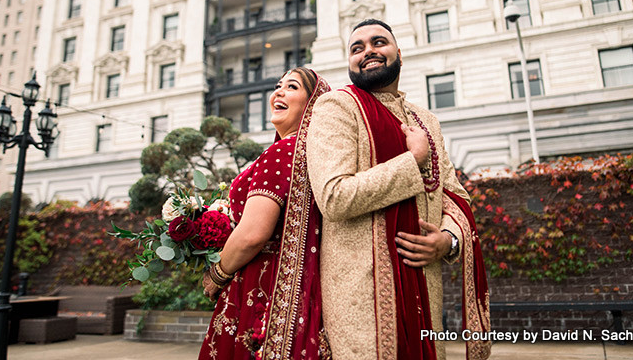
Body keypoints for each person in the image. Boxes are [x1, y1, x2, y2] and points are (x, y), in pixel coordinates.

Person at [307, 19, 490, 360]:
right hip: (363, 304)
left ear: (398, 54)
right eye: (357, 48)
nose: (369, 52)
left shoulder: (426, 121)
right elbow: (334, 196)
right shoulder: (336, 107)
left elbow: (454, 196)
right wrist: (413, 159)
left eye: (379, 42)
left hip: (423, 292)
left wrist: (447, 241)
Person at [200, 67, 331, 360]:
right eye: (277, 85)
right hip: (303, 292)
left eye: (292, 87)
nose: (278, 92)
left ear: (312, 104)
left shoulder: (281, 153)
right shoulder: (313, 154)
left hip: (259, 291)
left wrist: (216, 273)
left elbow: (252, 234)